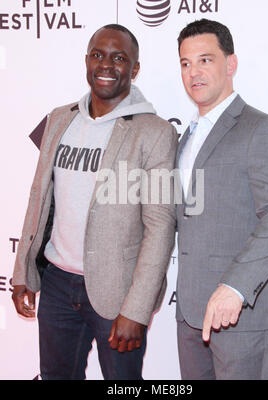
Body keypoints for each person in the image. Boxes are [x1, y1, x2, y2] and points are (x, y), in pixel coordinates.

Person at [11, 24, 177, 380]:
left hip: (117, 293)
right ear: (87, 60)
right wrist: (23, 270)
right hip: (56, 285)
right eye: (98, 55)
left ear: (134, 69)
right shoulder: (59, 119)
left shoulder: (156, 132)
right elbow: (39, 197)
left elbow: (160, 227)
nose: (106, 65)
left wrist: (137, 308)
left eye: (119, 58)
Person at [175, 19, 268, 380]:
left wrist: (236, 287)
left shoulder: (262, 128)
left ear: (230, 64)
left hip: (241, 313)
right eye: (185, 63)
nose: (194, 72)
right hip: (189, 317)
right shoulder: (185, 138)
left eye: (205, 60)